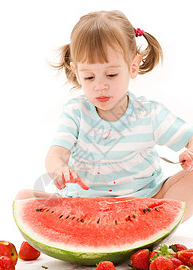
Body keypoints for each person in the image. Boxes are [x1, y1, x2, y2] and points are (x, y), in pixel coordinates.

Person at [16, 10, 193, 221]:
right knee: (24, 199)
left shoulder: (149, 113)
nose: (100, 86)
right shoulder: (75, 113)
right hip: (84, 205)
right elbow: (56, 154)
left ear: (133, 66)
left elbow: (190, 139)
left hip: (145, 201)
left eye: (111, 74)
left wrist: (190, 155)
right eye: (89, 77)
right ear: (76, 72)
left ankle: (148, 228)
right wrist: (60, 169)